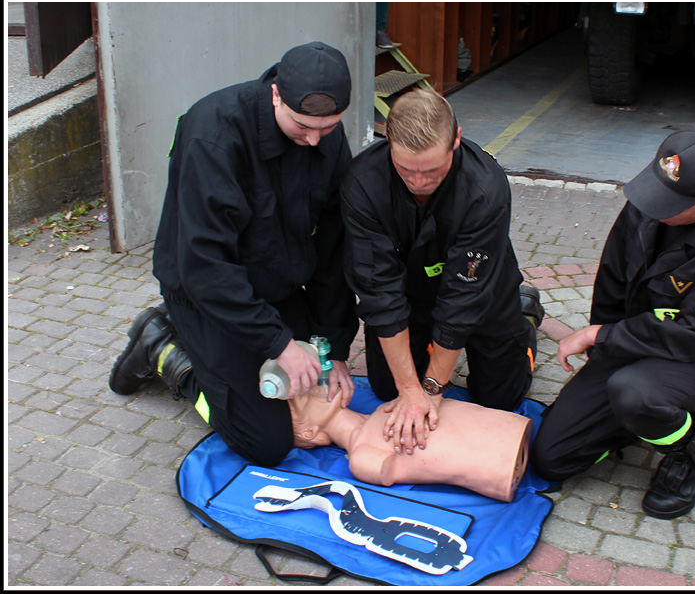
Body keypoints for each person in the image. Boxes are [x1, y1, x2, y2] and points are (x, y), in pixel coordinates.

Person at [108, 42, 358, 468]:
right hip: (205, 293)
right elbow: (205, 266)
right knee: (264, 441)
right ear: (276, 94)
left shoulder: (324, 137)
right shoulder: (215, 135)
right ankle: (166, 352)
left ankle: (233, 352)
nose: (315, 139)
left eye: (329, 128)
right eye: (302, 127)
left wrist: (330, 346)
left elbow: (334, 248)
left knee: (307, 384)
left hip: (274, 286)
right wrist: (279, 344)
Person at [531, 122, 695, 520]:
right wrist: (602, 351)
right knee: (553, 459)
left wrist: (604, 335)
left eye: (671, 203)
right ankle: (640, 414)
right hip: (636, 344)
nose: (654, 206)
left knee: (635, 393)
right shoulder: (656, 200)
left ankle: (691, 450)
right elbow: (613, 281)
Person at [340, 89, 544, 456]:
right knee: (387, 388)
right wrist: (409, 389)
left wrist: (431, 389)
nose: (419, 182)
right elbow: (379, 292)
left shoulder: (485, 188)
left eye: (432, 171)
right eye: (406, 170)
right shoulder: (362, 182)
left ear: (456, 140)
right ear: (388, 141)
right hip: (410, 290)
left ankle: (524, 316)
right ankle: (431, 347)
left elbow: (464, 297)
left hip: (483, 289)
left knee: (500, 398)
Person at [289, 384, 532, 502]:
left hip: (511, 429)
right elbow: (384, 471)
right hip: (500, 463)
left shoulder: (383, 409)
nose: (309, 389)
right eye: (302, 401)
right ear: (310, 433)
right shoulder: (362, 455)